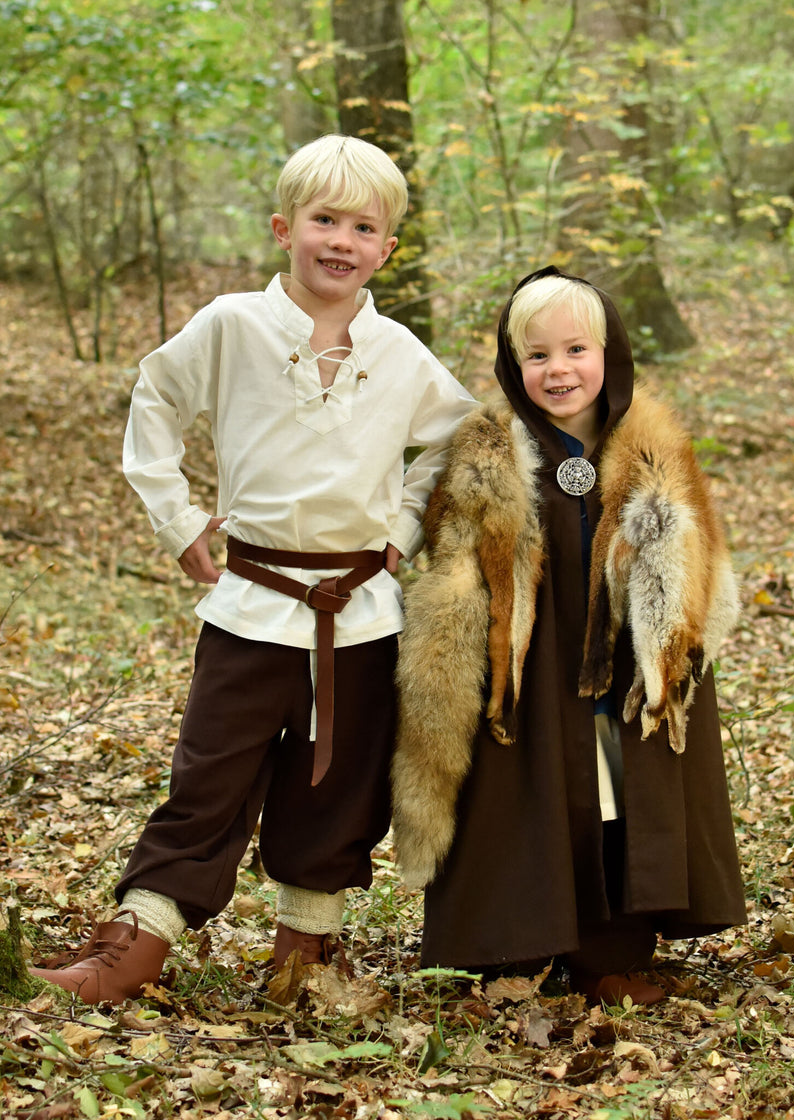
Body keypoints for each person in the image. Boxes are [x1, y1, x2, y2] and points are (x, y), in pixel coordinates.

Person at [29, 134, 476, 1005]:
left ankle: (304, 955)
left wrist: (405, 525)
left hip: (360, 612)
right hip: (252, 604)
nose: (341, 241)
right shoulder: (232, 325)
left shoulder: (400, 353)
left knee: (338, 790)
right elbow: (156, 400)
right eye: (324, 220)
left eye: (364, 227)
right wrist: (178, 520)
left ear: (388, 248)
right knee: (209, 775)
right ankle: (134, 944)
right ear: (283, 228)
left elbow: (457, 438)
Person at [391, 266, 746, 1005]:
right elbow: (454, 560)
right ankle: (510, 945)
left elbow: (698, 558)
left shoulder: (651, 447)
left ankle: (608, 952)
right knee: (523, 794)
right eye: (538, 355)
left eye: (576, 350)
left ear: (609, 353)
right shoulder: (491, 452)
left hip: (616, 671)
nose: (559, 370)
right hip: (526, 670)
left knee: (615, 798)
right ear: (512, 364)